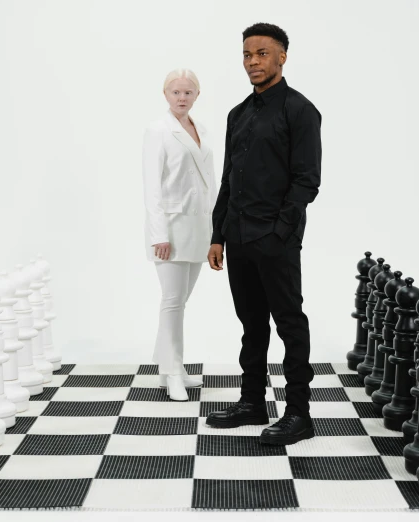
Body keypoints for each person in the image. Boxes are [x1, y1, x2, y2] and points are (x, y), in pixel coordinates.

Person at [205, 23, 322, 446]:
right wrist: (217, 235)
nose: (253, 61)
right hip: (237, 238)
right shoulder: (238, 114)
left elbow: (307, 180)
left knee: (289, 323)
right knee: (251, 324)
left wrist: (280, 232)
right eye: (247, 54)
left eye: (262, 53)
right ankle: (252, 401)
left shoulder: (300, 110)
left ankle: (299, 414)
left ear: (282, 57)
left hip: (275, 239)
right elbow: (227, 180)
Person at [142, 69, 217, 401]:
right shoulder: (158, 130)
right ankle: (172, 372)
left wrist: (217, 230)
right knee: (172, 302)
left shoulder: (201, 128)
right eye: (175, 92)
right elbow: (151, 187)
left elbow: (209, 182)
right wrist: (159, 233)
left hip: (199, 227)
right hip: (170, 229)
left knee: (179, 303)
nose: (181, 97)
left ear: (197, 95)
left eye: (188, 92)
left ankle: (170, 367)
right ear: (165, 94)